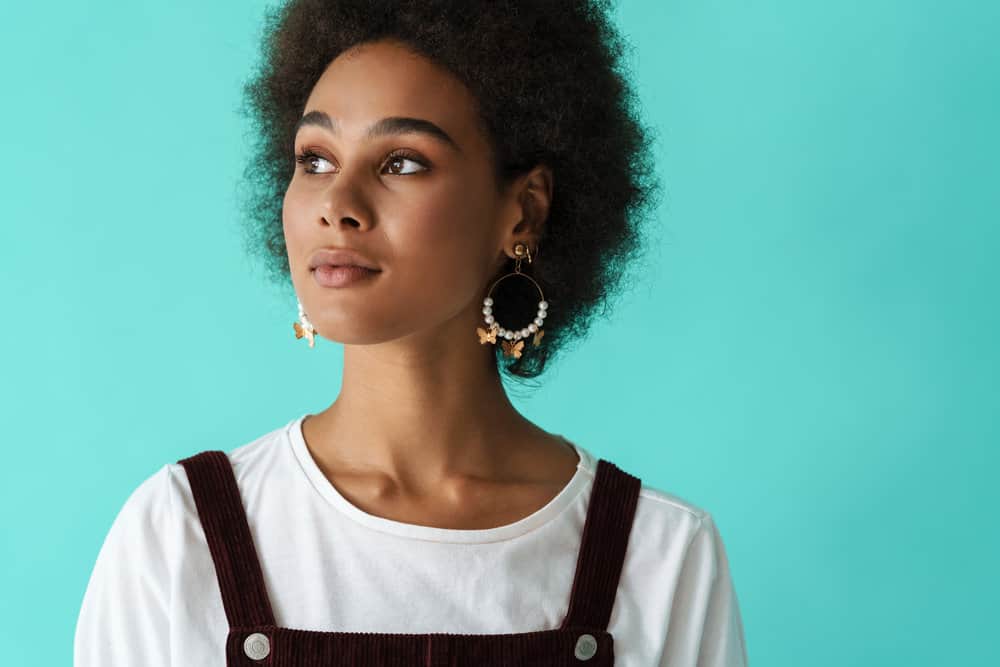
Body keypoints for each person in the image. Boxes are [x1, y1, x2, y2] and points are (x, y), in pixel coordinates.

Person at [74, 1, 748, 665]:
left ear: (523, 212)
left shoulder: (659, 554)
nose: (336, 205)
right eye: (315, 159)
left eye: (401, 162)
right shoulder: (177, 534)